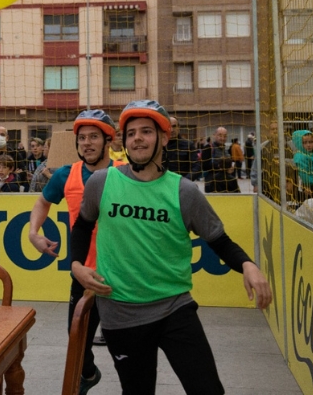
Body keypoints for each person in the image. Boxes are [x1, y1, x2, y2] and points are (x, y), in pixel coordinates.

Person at [70, 100, 271, 394]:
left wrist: (248, 265)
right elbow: (83, 226)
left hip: (174, 309)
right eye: (131, 133)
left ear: (164, 138)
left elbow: (219, 241)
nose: (137, 137)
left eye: (146, 131)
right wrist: (76, 265)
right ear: (123, 141)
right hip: (120, 313)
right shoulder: (101, 182)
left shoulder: (184, 192)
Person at [29, 109, 121, 394]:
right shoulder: (65, 175)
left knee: (127, 349)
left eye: (94, 137)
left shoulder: (125, 173)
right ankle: (88, 374)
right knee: (77, 343)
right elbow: (43, 203)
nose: (87, 143)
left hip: (122, 274)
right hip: (83, 274)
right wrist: (34, 233)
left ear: (108, 141)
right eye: (82, 138)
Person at [201, 127, 240, 193]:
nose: (222, 138)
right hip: (212, 185)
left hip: (228, 183)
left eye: (225, 136)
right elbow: (204, 166)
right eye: (220, 135)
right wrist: (222, 167)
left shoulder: (226, 150)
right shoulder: (208, 148)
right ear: (214, 135)